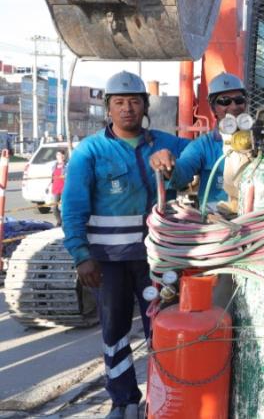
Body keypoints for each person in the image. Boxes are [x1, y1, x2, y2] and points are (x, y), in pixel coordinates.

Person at [149, 72, 264, 419]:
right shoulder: (206, 147)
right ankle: (224, 396)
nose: (232, 106)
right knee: (222, 322)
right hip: (222, 252)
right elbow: (179, 174)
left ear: (247, 105)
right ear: (213, 109)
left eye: (238, 100)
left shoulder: (262, 144)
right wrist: (165, 164)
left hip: (262, 248)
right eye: (224, 101)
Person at [61, 71, 189, 419]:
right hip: (109, 261)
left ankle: (162, 399)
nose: (127, 109)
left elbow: (205, 159)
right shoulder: (91, 151)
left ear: (146, 106)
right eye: (119, 102)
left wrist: (177, 162)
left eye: (134, 101)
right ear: (108, 109)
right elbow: (72, 207)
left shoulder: (167, 142)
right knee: (115, 331)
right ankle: (123, 400)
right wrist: (80, 256)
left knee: (162, 331)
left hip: (157, 260)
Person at [50, 149, 67, 227]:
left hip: (64, 189)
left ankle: (65, 222)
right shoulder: (54, 165)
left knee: (64, 208)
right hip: (55, 189)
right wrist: (49, 185)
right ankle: (59, 221)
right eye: (57, 155)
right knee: (54, 208)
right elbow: (52, 177)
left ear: (63, 156)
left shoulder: (66, 165)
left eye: (59, 155)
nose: (58, 156)